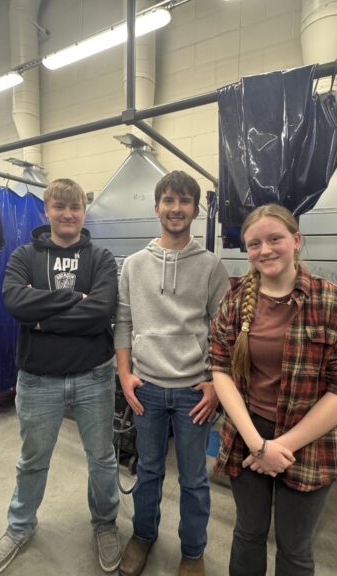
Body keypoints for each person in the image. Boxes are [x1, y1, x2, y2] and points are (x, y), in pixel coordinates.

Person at [209, 204, 337, 576]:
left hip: (310, 442)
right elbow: (220, 369)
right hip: (249, 436)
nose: (265, 250)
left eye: (275, 239)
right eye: (254, 243)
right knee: (248, 533)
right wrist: (257, 445)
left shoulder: (332, 303)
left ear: (296, 241)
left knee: (295, 548)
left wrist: (282, 447)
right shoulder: (234, 302)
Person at [0, 178, 121, 576]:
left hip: (94, 376)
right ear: (46, 210)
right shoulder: (24, 255)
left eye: (74, 207)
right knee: (32, 460)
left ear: (83, 211)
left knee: (102, 458)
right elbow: (14, 302)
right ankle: (20, 526)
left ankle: (105, 523)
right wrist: (73, 300)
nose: (67, 214)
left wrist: (42, 319)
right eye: (59, 206)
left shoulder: (101, 257)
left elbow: (101, 311)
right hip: (38, 379)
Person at [115, 170, 230, 576]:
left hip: (192, 395)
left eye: (184, 201)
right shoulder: (133, 265)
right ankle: (143, 537)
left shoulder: (212, 266)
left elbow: (223, 332)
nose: (175, 208)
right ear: (156, 207)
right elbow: (123, 323)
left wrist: (216, 382)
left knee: (195, 480)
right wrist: (125, 375)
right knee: (147, 471)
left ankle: (193, 552)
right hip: (145, 388)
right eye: (168, 200)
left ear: (196, 210)